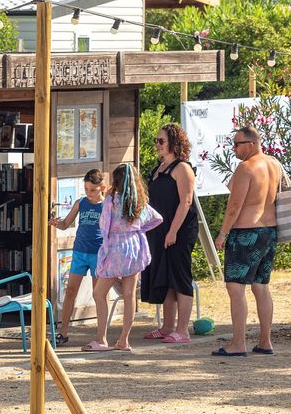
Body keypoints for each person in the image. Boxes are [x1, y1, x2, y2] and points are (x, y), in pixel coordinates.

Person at [213, 126, 281, 357]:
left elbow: (234, 206)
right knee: (260, 286)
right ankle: (265, 341)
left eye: (237, 144)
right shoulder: (274, 164)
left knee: (235, 287)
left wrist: (222, 233)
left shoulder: (246, 167)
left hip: (246, 233)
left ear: (251, 144)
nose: (234, 149)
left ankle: (238, 343)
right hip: (269, 231)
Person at [82, 163, 162, 352]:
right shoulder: (139, 201)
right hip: (134, 246)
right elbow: (157, 218)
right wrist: (138, 230)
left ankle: (101, 339)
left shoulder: (111, 199)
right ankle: (124, 339)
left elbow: (105, 225)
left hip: (116, 248)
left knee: (99, 293)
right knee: (129, 294)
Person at [141, 123, 199, 344]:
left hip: (180, 230)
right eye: (156, 140)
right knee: (164, 276)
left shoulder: (182, 168)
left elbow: (185, 202)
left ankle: (182, 331)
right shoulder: (159, 167)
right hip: (160, 229)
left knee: (180, 276)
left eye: (161, 141)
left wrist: (173, 231)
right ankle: (167, 327)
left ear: (174, 143)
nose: (157, 144)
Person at [50, 169, 105, 345]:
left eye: (93, 190)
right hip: (80, 252)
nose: (89, 194)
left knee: (99, 295)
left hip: (98, 253)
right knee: (71, 291)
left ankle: (100, 335)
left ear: (102, 187)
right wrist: (56, 224)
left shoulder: (108, 206)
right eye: (87, 189)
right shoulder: (81, 203)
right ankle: (63, 332)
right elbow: (66, 224)